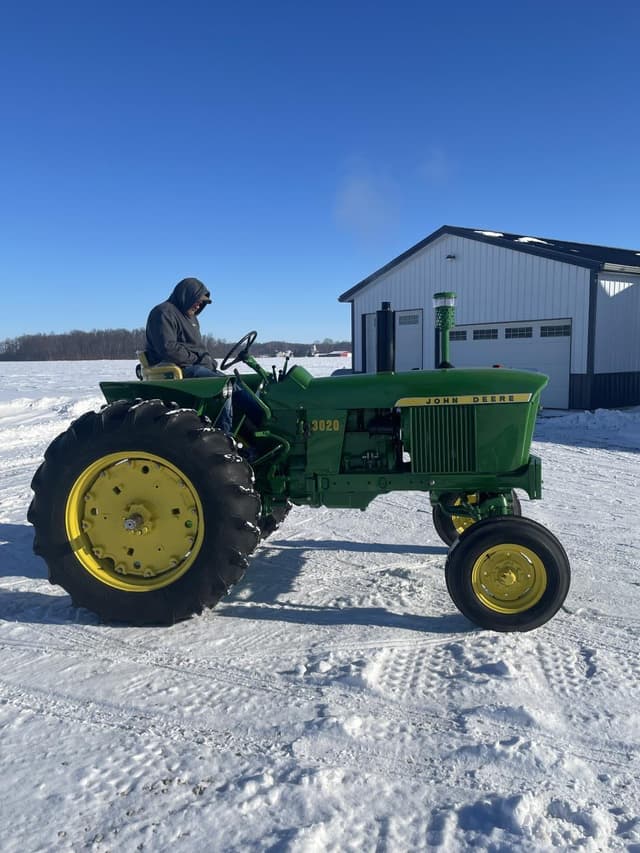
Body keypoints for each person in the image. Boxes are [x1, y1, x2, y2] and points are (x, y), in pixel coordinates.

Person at [145, 277, 261, 435]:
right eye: (197, 301)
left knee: (238, 385)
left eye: (202, 303)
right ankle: (224, 436)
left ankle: (257, 426)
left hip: (192, 366)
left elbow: (196, 347)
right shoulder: (163, 312)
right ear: (186, 296)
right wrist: (199, 359)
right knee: (222, 386)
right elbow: (168, 349)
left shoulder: (191, 318)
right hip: (173, 368)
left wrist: (208, 360)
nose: (199, 305)